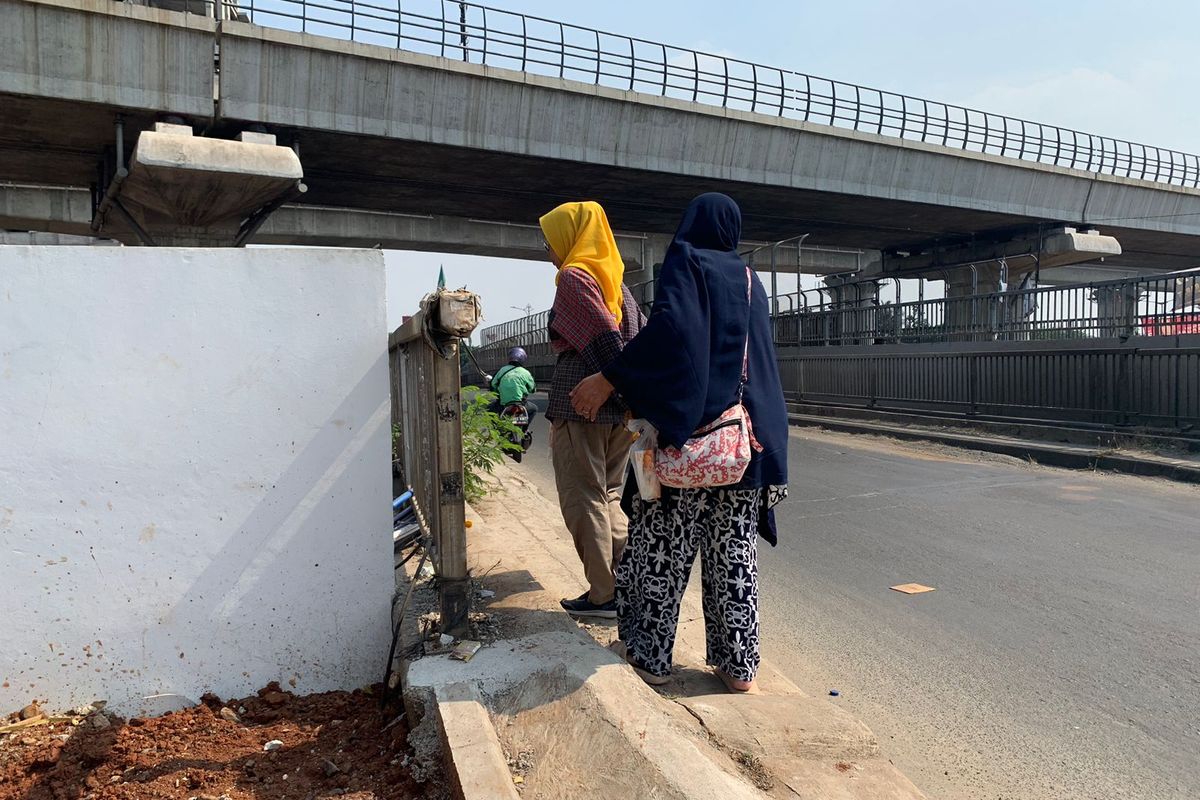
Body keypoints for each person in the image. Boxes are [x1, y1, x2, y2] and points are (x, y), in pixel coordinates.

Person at [570, 193, 788, 692]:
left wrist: (611, 377)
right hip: (745, 443)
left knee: (661, 551)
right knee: (734, 551)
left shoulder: (686, 261)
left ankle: (650, 658)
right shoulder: (753, 281)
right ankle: (738, 667)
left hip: (689, 445)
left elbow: (671, 334)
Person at [540, 200, 645, 619]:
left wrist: (608, 386)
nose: (547, 250)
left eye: (549, 240)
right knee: (609, 496)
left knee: (582, 496)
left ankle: (604, 595)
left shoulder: (573, 277)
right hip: (618, 408)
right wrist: (628, 395)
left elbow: (603, 337)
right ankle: (628, 581)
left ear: (571, 236)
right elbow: (637, 339)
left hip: (584, 397)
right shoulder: (616, 281)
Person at [488, 346, 537, 422]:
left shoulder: (502, 370)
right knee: (534, 409)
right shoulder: (526, 372)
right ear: (523, 359)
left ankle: (496, 430)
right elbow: (532, 389)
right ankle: (524, 430)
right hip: (520, 404)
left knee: (489, 408)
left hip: (503, 404)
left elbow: (493, 386)